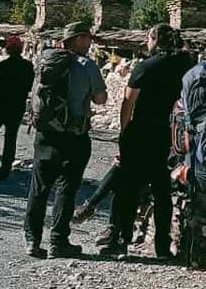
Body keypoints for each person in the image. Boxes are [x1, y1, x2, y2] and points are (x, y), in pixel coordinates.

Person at [100, 24, 194, 260]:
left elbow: (128, 103)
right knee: (162, 190)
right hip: (168, 134)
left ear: (156, 40)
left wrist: (124, 133)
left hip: (141, 132)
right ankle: (162, 245)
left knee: (129, 188)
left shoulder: (146, 67)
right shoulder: (185, 65)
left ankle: (121, 241)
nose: (146, 43)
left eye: (149, 38)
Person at [24, 20, 107, 259]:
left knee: (39, 188)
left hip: (45, 132)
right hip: (73, 135)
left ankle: (32, 240)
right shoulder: (86, 65)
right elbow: (100, 99)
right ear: (78, 39)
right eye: (88, 38)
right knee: (66, 189)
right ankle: (58, 241)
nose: (90, 42)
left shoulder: (46, 60)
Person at [0, 35, 35, 182]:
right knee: (11, 139)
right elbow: (31, 87)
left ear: (8, 49)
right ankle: (5, 172)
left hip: (0, 105)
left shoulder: (3, 65)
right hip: (17, 107)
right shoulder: (28, 66)